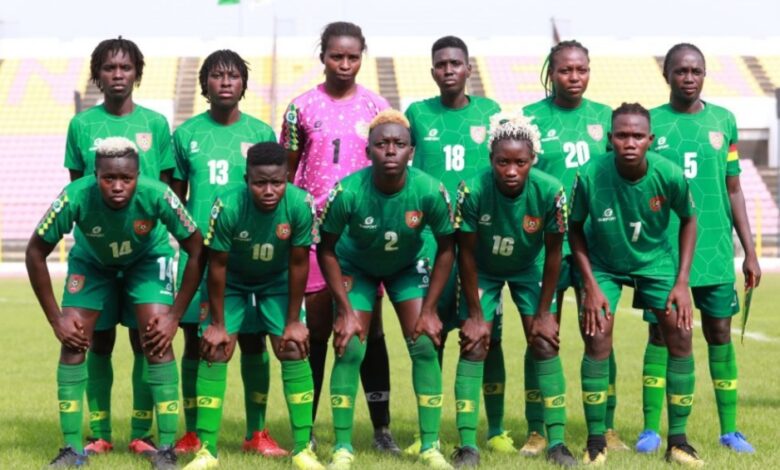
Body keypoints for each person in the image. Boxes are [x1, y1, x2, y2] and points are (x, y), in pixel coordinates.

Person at [27, 137, 205, 469]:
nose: (118, 186)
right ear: (95, 175)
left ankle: (165, 450)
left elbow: (196, 248)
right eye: (109, 178)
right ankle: (72, 449)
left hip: (147, 260)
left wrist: (175, 316)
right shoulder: (75, 196)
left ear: (139, 175)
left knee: (156, 338)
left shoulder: (158, 193)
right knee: (74, 342)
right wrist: (56, 320)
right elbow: (35, 252)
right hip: (92, 263)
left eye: (127, 178)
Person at [636, 43, 761, 455]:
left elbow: (734, 188)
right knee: (661, 334)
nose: (689, 77)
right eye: (681, 71)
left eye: (696, 71)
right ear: (667, 75)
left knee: (719, 333)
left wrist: (750, 251)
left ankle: (730, 430)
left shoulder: (724, 121)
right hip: (664, 252)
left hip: (714, 250)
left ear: (704, 75)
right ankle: (652, 430)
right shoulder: (649, 124)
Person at [280, 21, 398, 452]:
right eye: (336, 56)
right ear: (323, 56)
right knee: (318, 331)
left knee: (370, 330)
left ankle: (382, 430)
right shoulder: (300, 108)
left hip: (363, 235)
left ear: (361, 56)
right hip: (314, 236)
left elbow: (390, 166)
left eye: (352, 57)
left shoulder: (376, 108)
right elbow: (287, 177)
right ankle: (305, 431)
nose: (344, 64)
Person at [317, 109, 455, 470]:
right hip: (356, 266)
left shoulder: (428, 188)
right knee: (349, 347)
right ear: (368, 151)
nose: (390, 150)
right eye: (382, 144)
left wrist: (429, 310)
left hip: (406, 267)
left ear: (412, 150)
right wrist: (345, 310)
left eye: (399, 144)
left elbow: (447, 247)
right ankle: (342, 447)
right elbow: (326, 248)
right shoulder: (347, 191)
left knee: (424, 341)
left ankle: (430, 446)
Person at [569, 103, 699, 466]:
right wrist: (590, 285)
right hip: (604, 264)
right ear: (610, 139)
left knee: (682, 335)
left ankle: (678, 442)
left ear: (650, 140)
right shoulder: (591, 174)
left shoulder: (668, 175)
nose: (630, 142)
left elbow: (689, 220)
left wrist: (682, 282)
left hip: (655, 263)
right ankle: (596, 440)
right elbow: (575, 229)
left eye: (637, 136)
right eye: (622, 135)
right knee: (596, 337)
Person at [63, 36, 175, 456]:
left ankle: (143, 434)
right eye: (109, 68)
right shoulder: (82, 125)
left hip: (148, 250)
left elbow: (165, 190)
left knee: (148, 339)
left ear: (137, 74)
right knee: (98, 341)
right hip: (96, 252)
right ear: (97, 76)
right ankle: (99, 433)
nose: (117, 75)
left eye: (125, 68)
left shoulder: (156, 124)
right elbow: (77, 189)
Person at [170, 49, 285, 457]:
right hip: (201, 257)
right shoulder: (185, 135)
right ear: (204, 85)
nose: (225, 82)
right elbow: (175, 200)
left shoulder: (262, 133)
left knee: (253, 342)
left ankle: (257, 432)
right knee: (194, 343)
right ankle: (194, 432)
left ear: (243, 84)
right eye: (217, 76)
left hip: (252, 255)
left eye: (233, 76)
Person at [182, 142, 323, 470]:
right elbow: (216, 265)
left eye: (277, 182)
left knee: (293, 346)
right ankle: (208, 451)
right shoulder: (228, 204)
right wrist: (217, 324)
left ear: (287, 177)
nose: (269, 190)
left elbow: (300, 262)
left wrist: (292, 321)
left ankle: (303, 448)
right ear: (246, 179)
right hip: (230, 282)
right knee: (215, 349)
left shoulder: (301, 204)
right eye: (260, 183)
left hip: (275, 281)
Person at [404, 36, 509, 456]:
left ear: (469, 69)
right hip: (429, 242)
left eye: (456, 63)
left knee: (487, 336)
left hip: (478, 244)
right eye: (441, 64)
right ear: (433, 71)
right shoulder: (417, 113)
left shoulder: (492, 113)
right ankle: (426, 432)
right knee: (428, 336)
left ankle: (496, 428)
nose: (448, 70)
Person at [454, 112, 576, 467]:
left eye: (519, 162)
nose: (510, 170)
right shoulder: (472, 190)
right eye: (502, 162)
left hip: (530, 267)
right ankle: (467, 446)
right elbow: (465, 252)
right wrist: (476, 316)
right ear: (491, 158)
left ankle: (556, 442)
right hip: (484, 269)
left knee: (543, 340)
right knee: (476, 343)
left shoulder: (551, 190)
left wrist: (543, 314)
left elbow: (554, 253)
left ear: (531, 160)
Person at [521, 39, 624, 455]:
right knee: (541, 334)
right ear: (552, 71)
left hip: (593, 247)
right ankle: (537, 428)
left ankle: (608, 426)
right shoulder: (529, 118)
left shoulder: (605, 117)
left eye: (581, 69)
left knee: (599, 333)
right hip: (542, 247)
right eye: (566, 70)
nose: (574, 77)